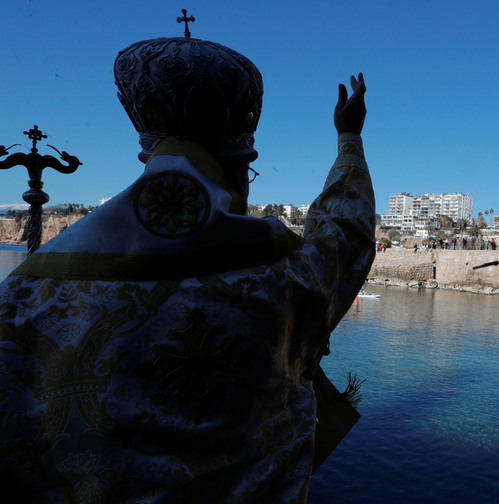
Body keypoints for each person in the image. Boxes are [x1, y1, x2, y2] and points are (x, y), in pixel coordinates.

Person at [0, 29, 373, 502]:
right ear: (236, 170)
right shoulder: (283, 275)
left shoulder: (26, 294)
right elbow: (346, 236)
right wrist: (349, 139)